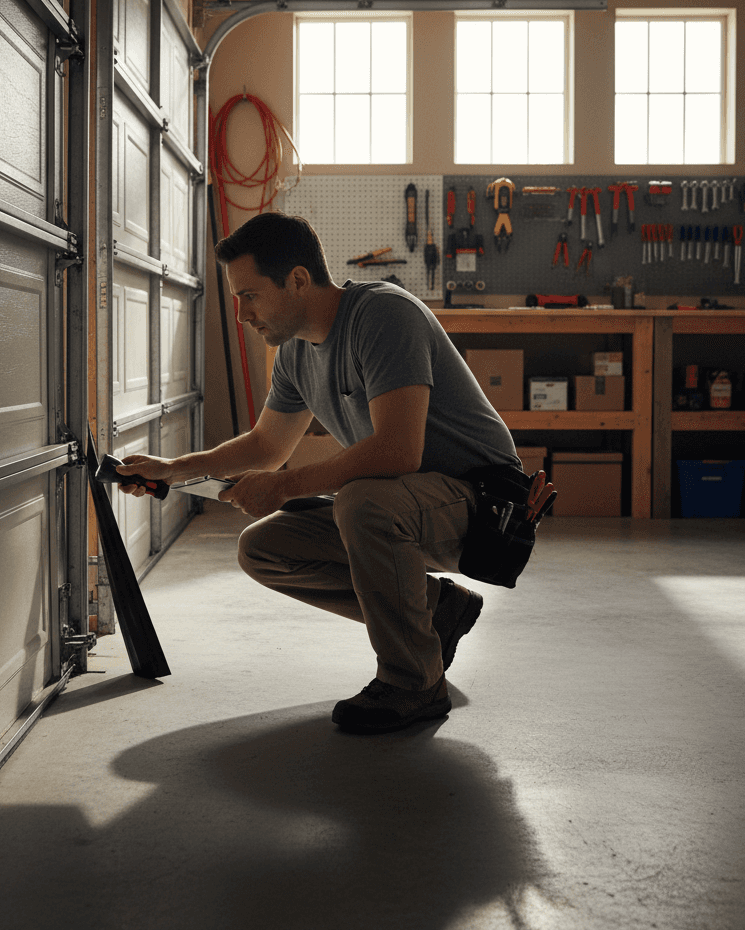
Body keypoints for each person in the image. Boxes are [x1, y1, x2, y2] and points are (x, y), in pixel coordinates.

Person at [116, 211, 523, 734]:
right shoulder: (294, 356)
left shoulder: (382, 315)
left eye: (250, 296)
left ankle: (413, 683)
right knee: (264, 546)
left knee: (361, 503)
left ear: (299, 280)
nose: (242, 314)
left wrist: (286, 485)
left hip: (487, 507)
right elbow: (267, 445)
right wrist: (174, 469)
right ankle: (437, 613)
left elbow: (399, 450)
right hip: (409, 502)